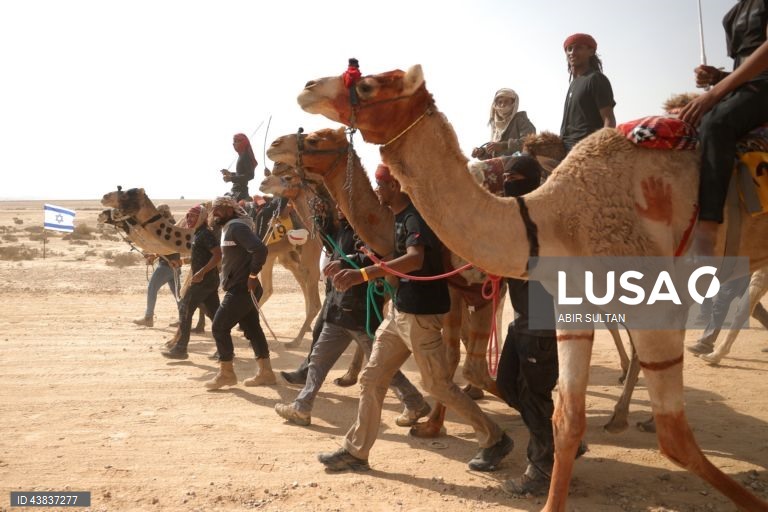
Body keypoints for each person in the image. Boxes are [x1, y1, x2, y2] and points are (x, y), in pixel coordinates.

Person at [317, 164, 512, 473]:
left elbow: (414, 259)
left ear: (396, 186)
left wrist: (363, 274)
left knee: (437, 384)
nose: (377, 190)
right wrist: (351, 261)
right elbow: (395, 256)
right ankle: (356, 451)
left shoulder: (414, 217)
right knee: (371, 379)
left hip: (420, 314)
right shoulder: (399, 217)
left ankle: (494, 437)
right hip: (400, 313)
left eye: (381, 184)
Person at [274, 207, 430, 426]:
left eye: (341, 204)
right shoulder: (342, 230)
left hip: (359, 310)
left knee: (381, 367)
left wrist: (347, 262)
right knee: (318, 359)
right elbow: (330, 247)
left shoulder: (367, 231)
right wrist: (321, 223)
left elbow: (380, 255)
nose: (337, 208)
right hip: (337, 308)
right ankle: (302, 408)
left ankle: (414, 402)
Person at [679, 1, 768, 256]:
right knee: (684, 124)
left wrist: (716, 92)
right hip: (748, 86)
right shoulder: (732, 15)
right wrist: (716, 77)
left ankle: (707, 229)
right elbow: (745, 66)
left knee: (716, 124)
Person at [204, 196, 272, 389]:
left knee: (219, 327)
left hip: (242, 287)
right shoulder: (228, 229)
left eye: (219, 209)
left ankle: (226, 373)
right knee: (252, 328)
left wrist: (252, 275)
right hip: (241, 286)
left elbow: (260, 249)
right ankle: (266, 372)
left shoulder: (237, 228)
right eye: (213, 209)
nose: (215, 212)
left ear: (230, 210)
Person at [161, 205, 222, 360]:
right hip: (208, 280)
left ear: (201, 217)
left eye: (193, 216)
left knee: (185, 309)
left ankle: (181, 348)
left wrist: (201, 272)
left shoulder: (206, 234)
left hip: (203, 281)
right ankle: (224, 350)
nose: (189, 219)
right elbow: (203, 256)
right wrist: (183, 261)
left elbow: (217, 255)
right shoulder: (199, 234)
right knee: (216, 316)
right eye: (188, 216)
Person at [560, 33, 616, 152]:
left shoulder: (596, 79)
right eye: (569, 49)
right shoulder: (573, 84)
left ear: (591, 52)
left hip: (586, 148)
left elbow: (609, 119)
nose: (572, 52)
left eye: (578, 48)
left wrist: (600, 149)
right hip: (565, 147)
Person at [132, 204, 181, 328]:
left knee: (152, 288)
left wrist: (154, 255)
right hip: (174, 265)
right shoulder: (173, 225)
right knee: (178, 294)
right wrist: (154, 256)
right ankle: (183, 319)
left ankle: (148, 318)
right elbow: (166, 247)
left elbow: (164, 246)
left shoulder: (166, 226)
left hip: (167, 265)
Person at [471, 88, 536, 160]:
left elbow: (530, 142)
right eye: (500, 102)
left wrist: (503, 145)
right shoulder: (496, 125)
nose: (502, 104)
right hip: (501, 165)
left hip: (520, 165)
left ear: (513, 103)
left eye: (506, 101)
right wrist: (482, 152)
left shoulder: (521, 120)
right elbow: (495, 154)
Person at [221, 133, 257, 202]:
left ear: (242, 142)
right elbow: (240, 174)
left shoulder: (245, 156)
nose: (233, 144)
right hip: (235, 191)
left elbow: (250, 175)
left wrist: (231, 178)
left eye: (235, 141)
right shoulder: (241, 156)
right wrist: (229, 174)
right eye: (233, 141)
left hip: (240, 193)